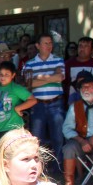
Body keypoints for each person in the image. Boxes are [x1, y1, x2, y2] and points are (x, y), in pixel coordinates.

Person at [22, 32, 65, 176]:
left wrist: (39, 78)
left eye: (50, 43)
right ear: (38, 46)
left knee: (58, 138)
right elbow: (28, 84)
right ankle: (39, 173)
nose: (49, 46)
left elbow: (60, 77)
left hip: (55, 104)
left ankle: (58, 173)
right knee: (37, 140)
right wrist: (51, 78)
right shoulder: (29, 63)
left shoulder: (58, 60)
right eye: (46, 43)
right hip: (37, 105)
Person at [0, 61, 37, 152]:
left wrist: (18, 108)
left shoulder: (16, 88)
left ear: (13, 75)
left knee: (10, 155)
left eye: (7, 74)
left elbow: (33, 100)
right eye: (1, 74)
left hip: (12, 129)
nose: (3, 77)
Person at [63, 36, 93, 104]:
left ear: (92, 49)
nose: (82, 48)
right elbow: (62, 84)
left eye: (86, 46)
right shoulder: (68, 64)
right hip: (72, 104)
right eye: (80, 46)